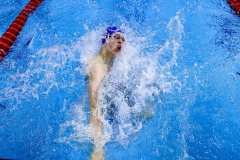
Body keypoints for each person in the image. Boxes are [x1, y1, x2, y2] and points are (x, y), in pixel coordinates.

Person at [87, 27, 125, 160]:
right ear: (106, 40)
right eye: (116, 37)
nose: (121, 41)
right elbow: (94, 107)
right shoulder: (98, 67)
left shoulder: (110, 59)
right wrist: (98, 149)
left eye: (123, 39)